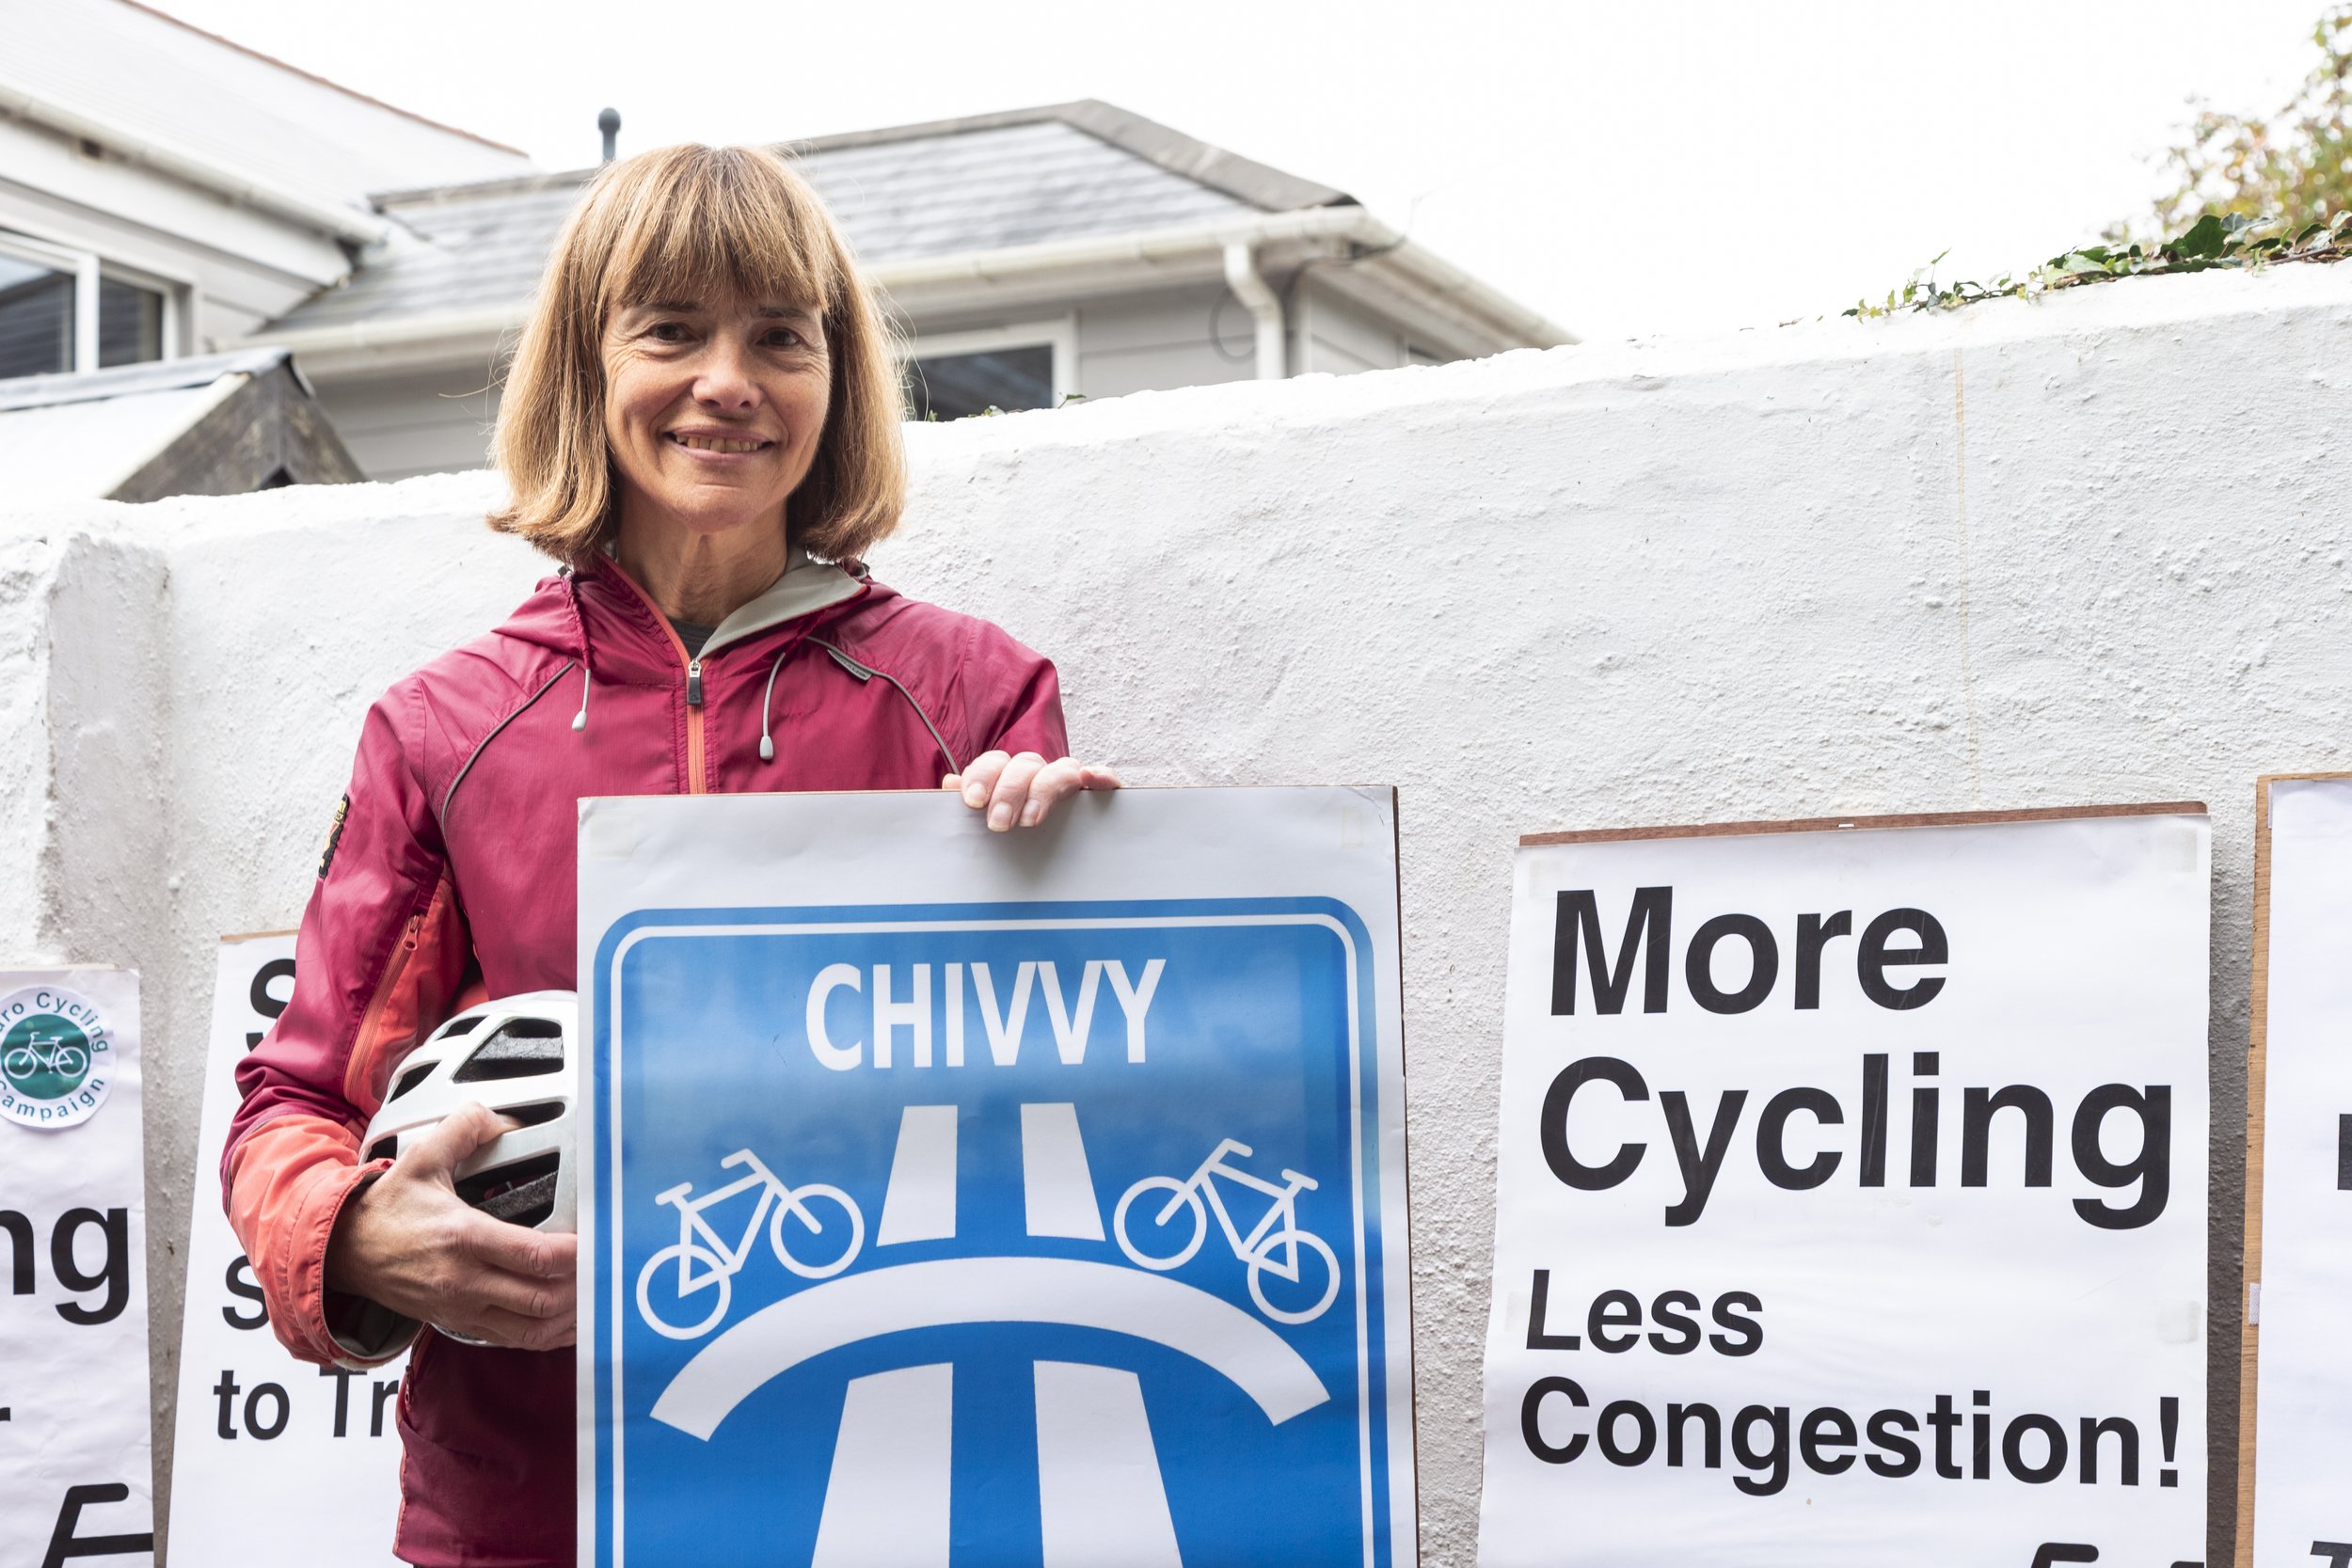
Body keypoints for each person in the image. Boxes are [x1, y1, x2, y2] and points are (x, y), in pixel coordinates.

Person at [222, 142, 1117, 1566]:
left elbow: (1081, 1104)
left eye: (781, 338)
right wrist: (349, 1236)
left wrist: (1090, 888)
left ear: (837, 380)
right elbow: (298, 1097)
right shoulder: (442, 727)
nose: (729, 382)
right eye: (671, 330)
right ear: (586, 369)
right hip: (532, 1508)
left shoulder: (976, 699)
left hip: (889, 1490)